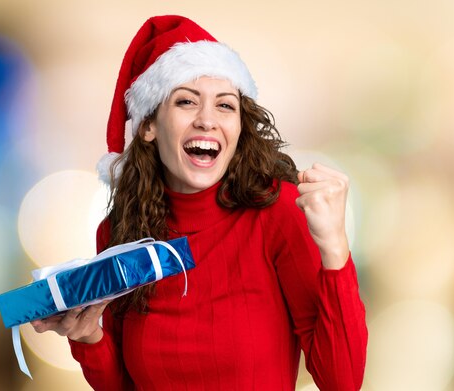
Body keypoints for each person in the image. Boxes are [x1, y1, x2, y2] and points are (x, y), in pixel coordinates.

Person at [31, 15, 368, 390]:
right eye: (187, 102)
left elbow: (342, 381)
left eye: (225, 106)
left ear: (240, 127)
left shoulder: (278, 212)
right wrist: (88, 336)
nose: (207, 120)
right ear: (149, 125)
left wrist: (335, 248)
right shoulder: (119, 230)